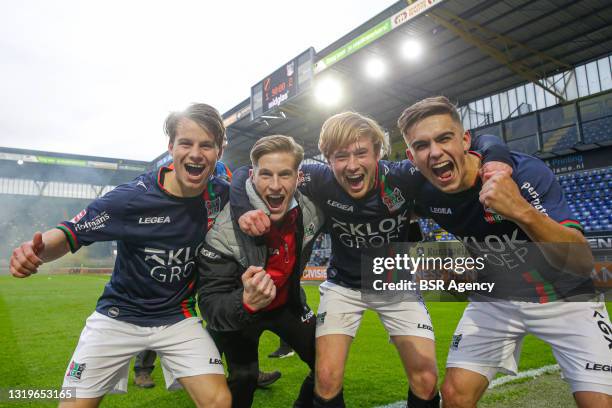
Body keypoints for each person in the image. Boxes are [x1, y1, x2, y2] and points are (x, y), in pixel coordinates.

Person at [233, 112, 512, 407]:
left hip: (396, 283)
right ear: (327, 159)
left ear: (378, 153)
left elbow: (480, 141)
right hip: (344, 286)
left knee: (426, 379)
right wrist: (242, 211)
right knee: (325, 378)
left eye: (361, 153)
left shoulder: (403, 176)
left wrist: (494, 157)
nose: (352, 165)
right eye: (341, 156)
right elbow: (244, 173)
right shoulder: (316, 179)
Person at [9, 103, 232, 408]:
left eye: (206, 145)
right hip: (118, 316)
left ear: (218, 151)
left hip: (177, 318)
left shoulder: (223, 194)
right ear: (170, 148)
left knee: (219, 401)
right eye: (186, 143)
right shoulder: (130, 199)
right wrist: (35, 251)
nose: (196, 153)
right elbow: (70, 233)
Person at [398, 96, 612, 408]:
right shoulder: (421, 189)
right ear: (411, 156)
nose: (435, 152)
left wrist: (521, 212)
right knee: (454, 398)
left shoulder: (523, 173)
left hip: (565, 297)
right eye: (422, 145)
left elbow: (581, 262)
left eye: (444, 138)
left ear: (465, 140)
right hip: (495, 300)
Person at [197, 135, 325, 408]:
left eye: (285, 174)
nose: (276, 185)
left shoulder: (313, 210)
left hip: (286, 306)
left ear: (297, 177)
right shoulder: (223, 231)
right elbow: (210, 305)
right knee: (244, 378)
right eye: (266, 175)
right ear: (253, 176)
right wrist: (244, 301)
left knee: (328, 364)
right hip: (242, 312)